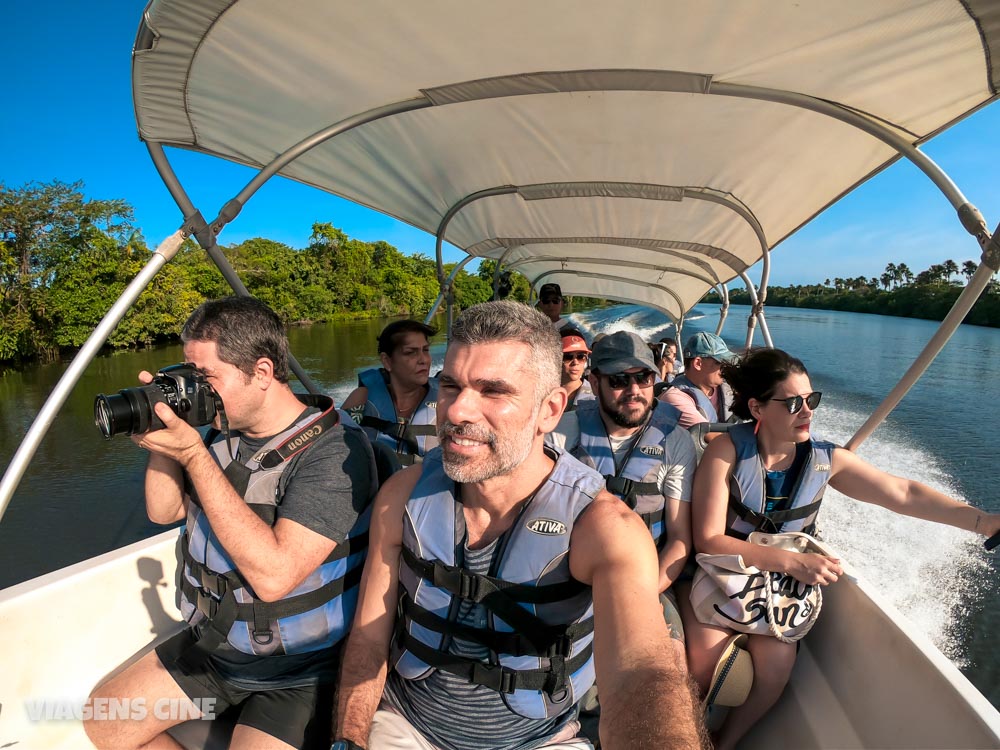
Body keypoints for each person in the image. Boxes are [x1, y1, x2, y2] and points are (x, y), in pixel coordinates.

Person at [334, 301, 704, 750]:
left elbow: (641, 672)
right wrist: (347, 740)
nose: (455, 411)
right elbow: (369, 639)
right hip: (407, 727)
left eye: (493, 390)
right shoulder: (401, 498)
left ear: (549, 411)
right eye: (450, 385)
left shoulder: (604, 528)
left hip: (539, 740)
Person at [84, 296, 377, 750]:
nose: (194, 390)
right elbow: (163, 513)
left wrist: (193, 454)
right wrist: (164, 438)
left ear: (261, 372)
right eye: (188, 374)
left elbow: (276, 577)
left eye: (206, 377)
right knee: (105, 721)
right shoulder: (222, 430)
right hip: (215, 646)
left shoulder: (336, 453)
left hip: (298, 668)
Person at [680, 347, 1000, 750]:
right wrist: (792, 561)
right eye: (793, 402)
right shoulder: (726, 451)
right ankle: (687, 735)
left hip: (781, 590)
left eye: (811, 400)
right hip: (721, 577)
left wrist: (982, 521)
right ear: (757, 408)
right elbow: (709, 538)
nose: (807, 411)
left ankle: (724, 743)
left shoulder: (826, 460)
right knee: (705, 664)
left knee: (776, 668)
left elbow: (902, 493)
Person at [549, 331, 696, 653]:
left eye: (643, 378)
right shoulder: (559, 436)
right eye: (618, 380)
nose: (634, 391)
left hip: (646, 580)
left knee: (668, 660)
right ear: (594, 380)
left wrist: (640, 597)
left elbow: (680, 539)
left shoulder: (676, 443)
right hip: (565, 579)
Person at [341, 320, 439, 467]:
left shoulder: (445, 401)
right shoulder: (361, 398)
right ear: (387, 361)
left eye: (425, 350)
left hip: (428, 487)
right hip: (375, 486)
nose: (423, 360)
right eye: (411, 352)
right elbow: (335, 446)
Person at [660, 332, 736, 439]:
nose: (726, 367)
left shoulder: (728, 387)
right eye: (721, 362)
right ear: (698, 363)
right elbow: (710, 437)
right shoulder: (674, 398)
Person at [560, 327, 594, 412]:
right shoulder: (541, 394)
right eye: (567, 357)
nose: (575, 362)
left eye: (581, 357)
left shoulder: (596, 398)